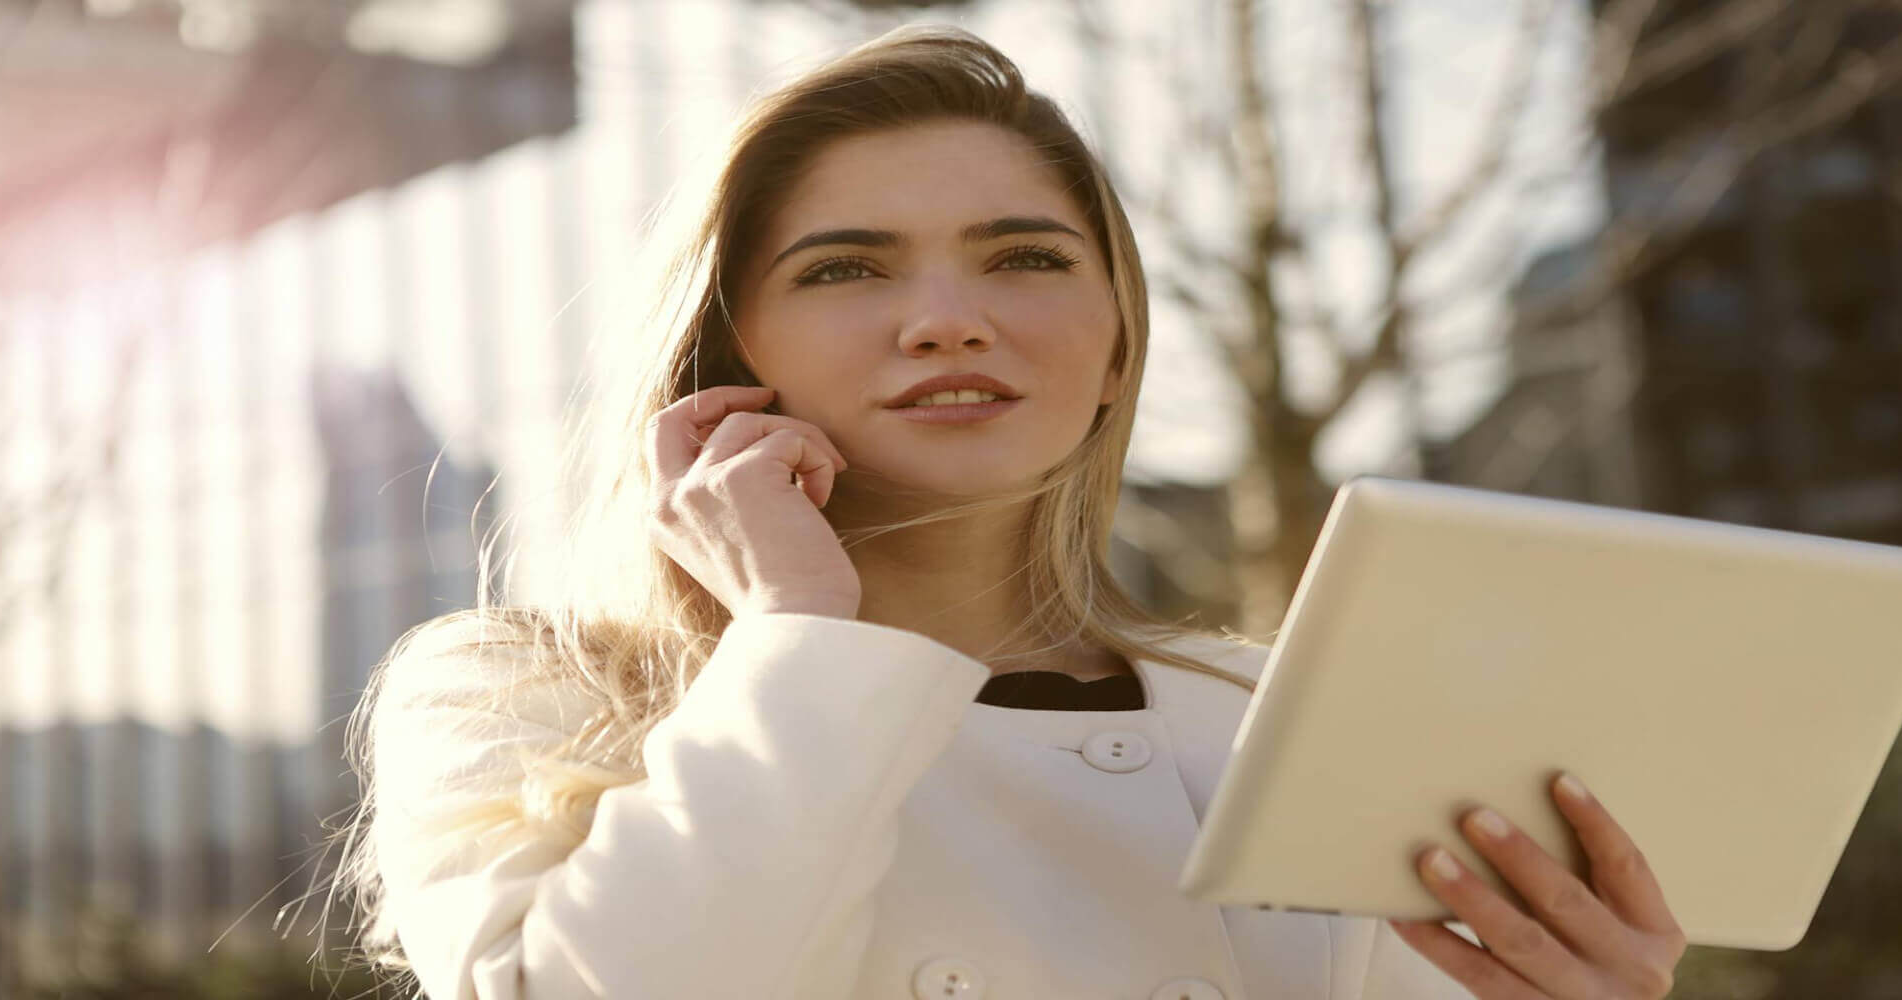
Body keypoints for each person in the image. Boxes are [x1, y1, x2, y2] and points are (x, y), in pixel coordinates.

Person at [330, 24, 1689, 1000]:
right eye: (848, 267)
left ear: (1114, 348)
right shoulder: (528, 693)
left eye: (1024, 257)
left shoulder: (1287, 715)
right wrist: (803, 633)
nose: (947, 321)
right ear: (726, 359)